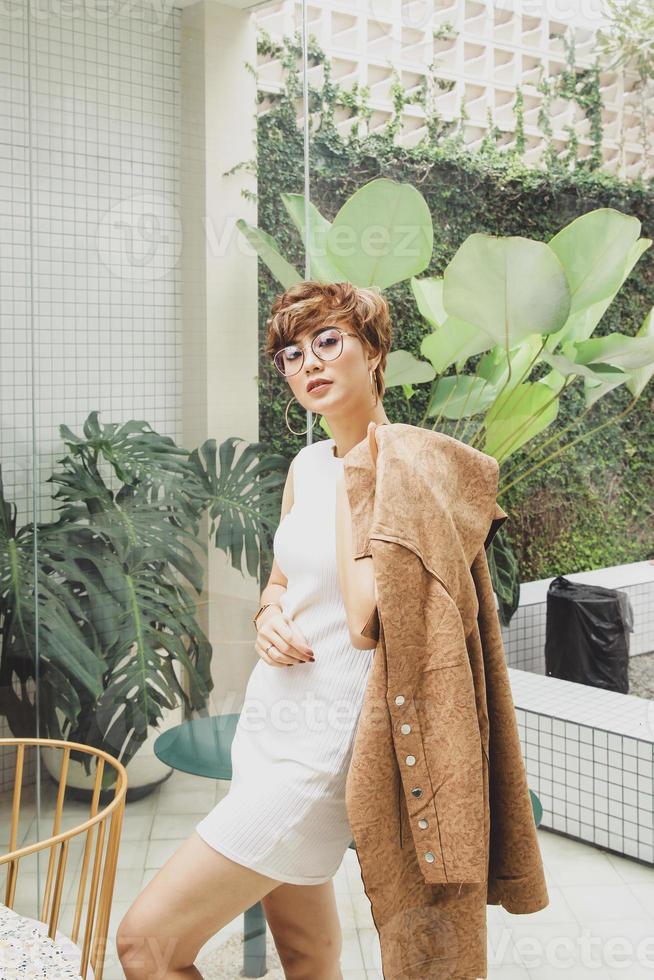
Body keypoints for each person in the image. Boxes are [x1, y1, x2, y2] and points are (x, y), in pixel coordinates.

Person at [116, 280, 393, 979]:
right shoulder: (307, 464)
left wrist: (361, 469)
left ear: (375, 351)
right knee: (305, 954)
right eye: (292, 354)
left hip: (323, 749)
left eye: (329, 341)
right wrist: (268, 615)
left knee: (145, 946)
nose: (310, 363)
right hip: (271, 729)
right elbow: (281, 582)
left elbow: (367, 624)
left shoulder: (405, 466)